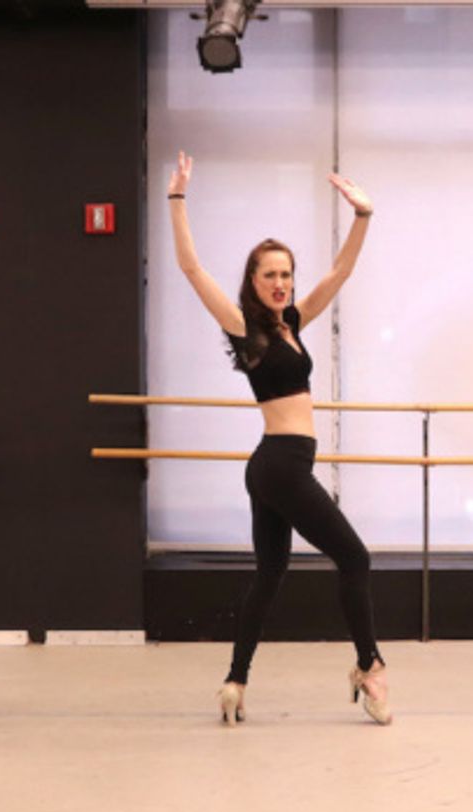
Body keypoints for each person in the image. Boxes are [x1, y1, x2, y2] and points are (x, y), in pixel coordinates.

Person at [166, 150, 391, 726]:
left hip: (273, 466)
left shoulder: (290, 325)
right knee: (355, 559)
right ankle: (370, 665)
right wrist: (177, 200)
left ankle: (235, 681)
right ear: (252, 281)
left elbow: (338, 275)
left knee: (270, 573)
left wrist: (363, 217)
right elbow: (192, 269)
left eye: (287, 274)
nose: (282, 283)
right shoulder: (245, 327)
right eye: (270, 274)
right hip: (282, 466)